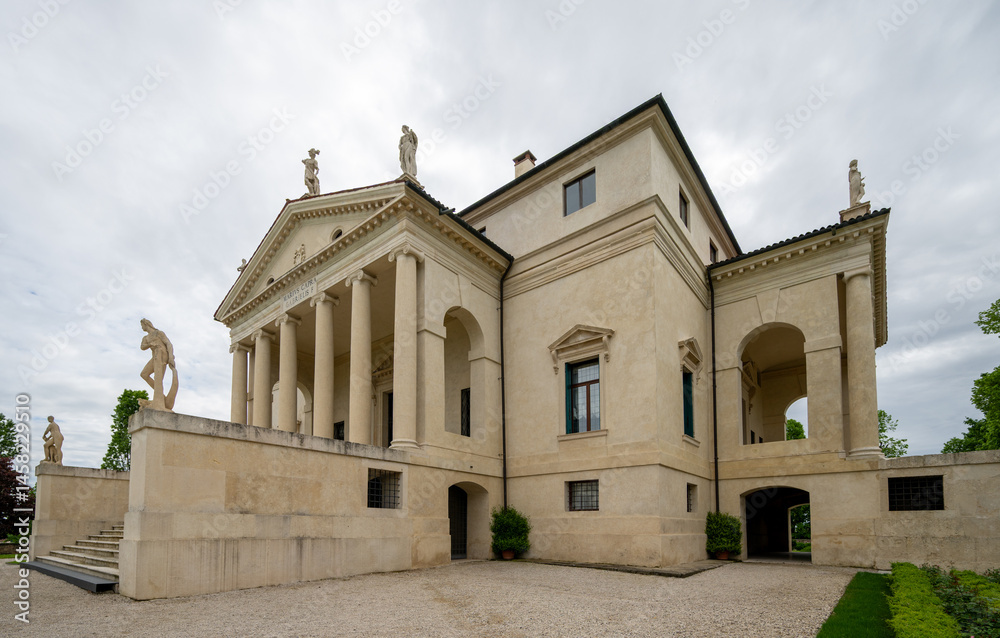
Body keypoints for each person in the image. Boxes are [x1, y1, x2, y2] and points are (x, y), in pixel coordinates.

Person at [140, 318, 177, 410]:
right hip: (155, 356)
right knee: (144, 374)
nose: (142, 327)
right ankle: (161, 396)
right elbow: (142, 347)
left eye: (142, 325)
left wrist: (171, 357)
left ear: (146, 324)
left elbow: (168, 344)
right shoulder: (146, 338)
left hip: (162, 355)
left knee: (158, 378)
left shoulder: (158, 333)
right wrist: (150, 344)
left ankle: (158, 401)